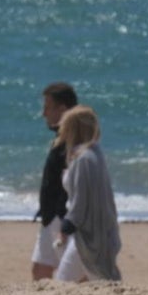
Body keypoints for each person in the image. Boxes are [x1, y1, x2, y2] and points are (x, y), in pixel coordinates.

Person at [51, 106, 122, 282]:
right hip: (97, 231)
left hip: (89, 234)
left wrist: (66, 228)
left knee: (67, 280)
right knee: (100, 277)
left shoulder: (84, 160)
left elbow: (80, 201)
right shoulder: (95, 154)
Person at [31, 82, 78, 280]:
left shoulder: (73, 140)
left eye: (48, 108)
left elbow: (74, 182)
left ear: (63, 109)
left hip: (62, 216)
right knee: (40, 269)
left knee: (74, 277)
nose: (44, 114)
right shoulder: (61, 137)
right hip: (50, 216)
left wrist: (64, 216)